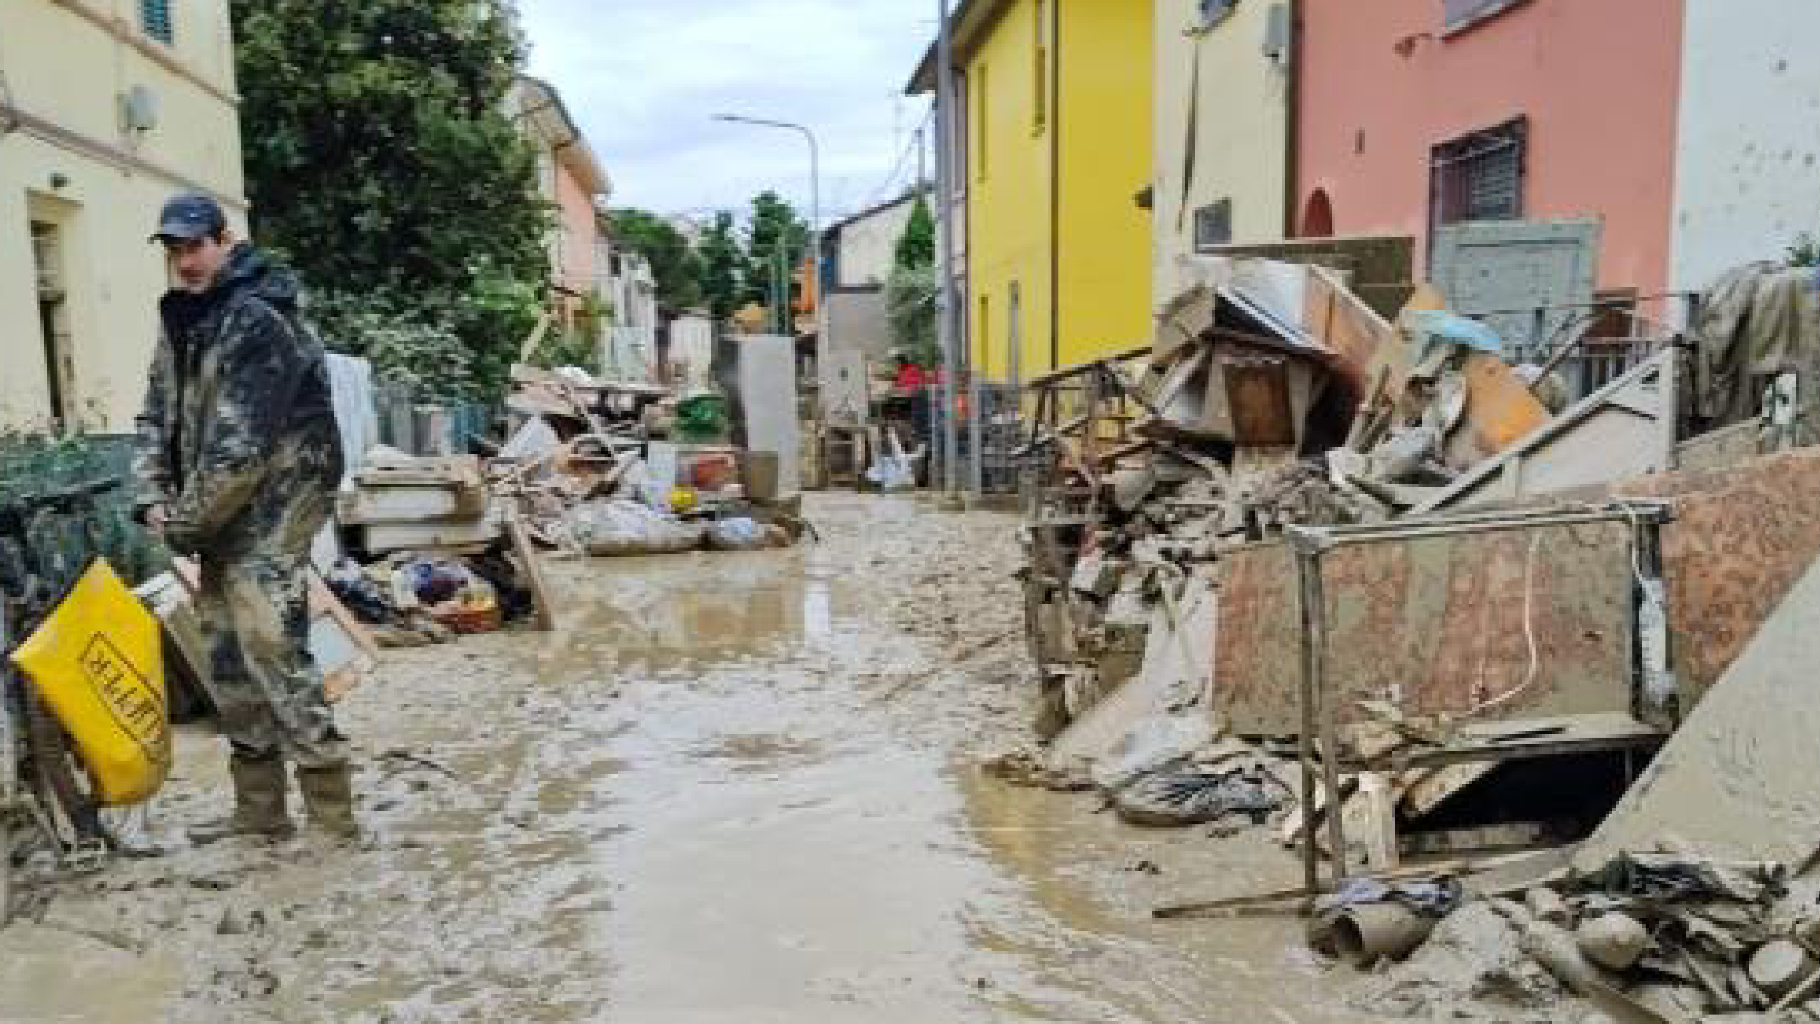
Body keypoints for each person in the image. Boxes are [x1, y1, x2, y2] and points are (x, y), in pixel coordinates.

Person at [133, 192, 357, 843]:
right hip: (217, 511)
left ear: (225, 241)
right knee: (225, 654)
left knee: (272, 648)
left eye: (194, 246)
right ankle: (260, 812)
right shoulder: (186, 321)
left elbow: (240, 450)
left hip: (278, 501)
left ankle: (332, 820)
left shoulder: (259, 319)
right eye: (173, 249)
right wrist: (150, 493)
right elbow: (155, 412)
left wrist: (180, 526)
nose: (184, 261)